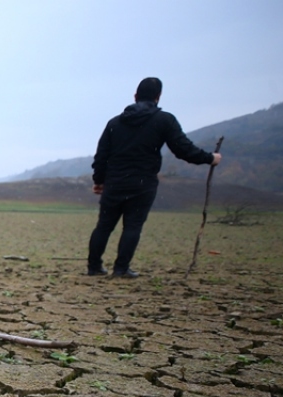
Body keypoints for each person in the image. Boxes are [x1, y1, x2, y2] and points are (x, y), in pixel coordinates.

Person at [86, 77, 221, 278]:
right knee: (132, 226)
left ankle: (94, 267)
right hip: (142, 182)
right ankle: (121, 269)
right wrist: (210, 158)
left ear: (135, 96)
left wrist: (99, 180)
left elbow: (102, 155)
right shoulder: (164, 120)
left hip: (115, 182)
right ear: (158, 97)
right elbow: (183, 149)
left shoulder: (115, 123)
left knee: (104, 225)